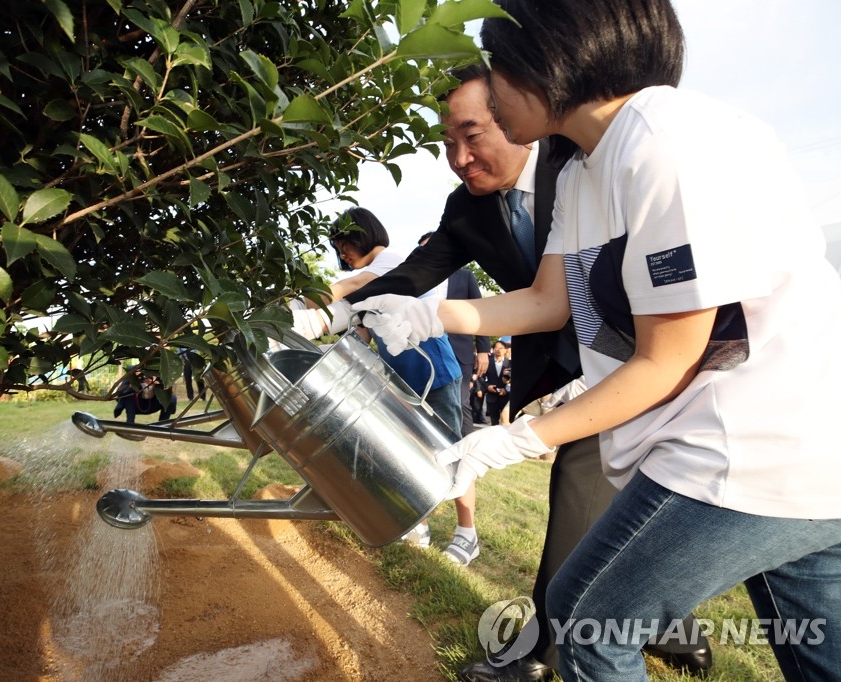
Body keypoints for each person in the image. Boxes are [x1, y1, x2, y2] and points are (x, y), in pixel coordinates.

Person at [353, 2, 841, 680]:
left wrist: (519, 440)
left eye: (496, 71)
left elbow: (667, 359)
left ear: (547, 59)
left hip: (747, 449)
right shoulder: (585, 167)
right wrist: (432, 318)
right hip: (789, 454)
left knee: (588, 621)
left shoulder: (664, 143)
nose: (491, 92)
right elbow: (548, 302)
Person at [342, 65, 709, 680]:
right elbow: (536, 297)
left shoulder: (586, 166)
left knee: (585, 493)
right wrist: (344, 313)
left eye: (474, 134)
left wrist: (520, 434)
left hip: (657, 351)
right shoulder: (471, 208)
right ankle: (673, 626)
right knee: (629, 495)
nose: (459, 158)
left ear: (516, 118)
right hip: (571, 359)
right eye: (447, 143)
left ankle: (545, 656)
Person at [292, 207, 481, 566]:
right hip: (401, 374)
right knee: (412, 451)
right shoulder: (367, 274)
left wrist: (298, 308)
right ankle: (419, 525)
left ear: (363, 233)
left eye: (344, 244)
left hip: (434, 370)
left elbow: (350, 287)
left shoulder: (389, 261)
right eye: (338, 248)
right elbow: (360, 329)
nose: (342, 253)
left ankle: (467, 533)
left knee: (454, 451)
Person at [419, 230, 492, 437]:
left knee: (460, 401)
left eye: (430, 246)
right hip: (429, 351)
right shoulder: (419, 280)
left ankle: (466, 451)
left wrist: (483, 350)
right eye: (422, 249)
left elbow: (481, 313)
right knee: (431, 402)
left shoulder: (465, 276)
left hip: (460, 351)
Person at [113, 368, 177, 423]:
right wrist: (133, 383)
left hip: (153, 404)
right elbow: (120, 393)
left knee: (171, 398)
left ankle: (163, 424)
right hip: (136, 405)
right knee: (129, 395)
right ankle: (130, 423)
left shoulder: (161, 371)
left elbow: (168, 392)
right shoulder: (134, 370)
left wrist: (158, 384)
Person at [484, 340, 510, 426]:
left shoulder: (510, 363)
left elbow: (515, 380)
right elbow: (481, 377)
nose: (498, 350)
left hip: (506, 397)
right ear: (493, 349)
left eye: (501, 348)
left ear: (506, 350)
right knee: (494, 421)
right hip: (491, 396)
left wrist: (506, 390)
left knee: (506, 421)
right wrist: (487, 386)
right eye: (496, 348)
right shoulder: (487, 362)